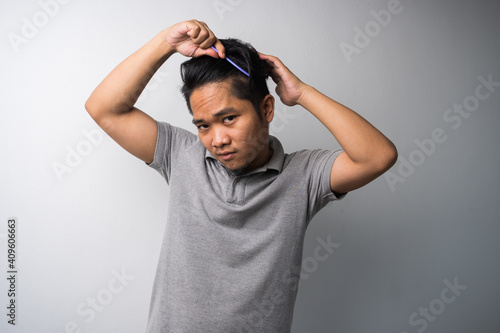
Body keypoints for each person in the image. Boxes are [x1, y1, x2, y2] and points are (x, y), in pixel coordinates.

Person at [85, 19, 397, 333]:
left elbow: (377, 156)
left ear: (267, 109)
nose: (217, 139)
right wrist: (165, 42)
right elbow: (105, 108)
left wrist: (302, 93)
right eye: (203, 125)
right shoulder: (181, 156)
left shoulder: (303, 177)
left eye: (229, 118)